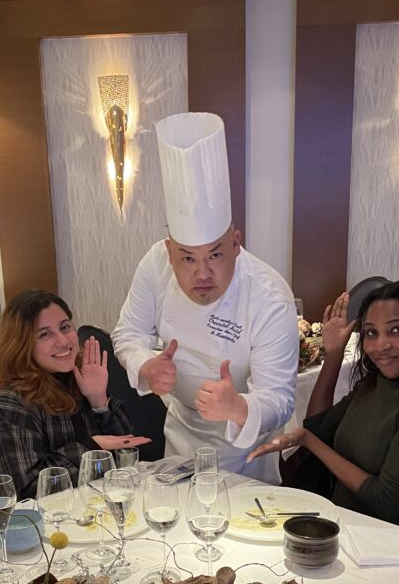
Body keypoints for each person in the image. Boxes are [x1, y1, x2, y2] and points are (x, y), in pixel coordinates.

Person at [112, 112, 299, 482]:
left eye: (215, 254)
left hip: (247, 448)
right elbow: (128, 333)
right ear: (169, 251)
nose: (201, 274)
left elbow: (279, 399)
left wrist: (238, 406)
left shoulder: (270, 296)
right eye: (186, 257)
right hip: (181, 438)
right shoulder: (154, 265)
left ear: (235, 243)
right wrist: (144, 365)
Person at [248, 276, 399, 531]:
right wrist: (333, 354)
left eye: (396, 330)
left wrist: (307, 441)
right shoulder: (375, 383)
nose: (381, 345)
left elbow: (386, 500)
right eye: (371, 333)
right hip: (351, 530)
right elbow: (318, 428)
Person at [0, 290, 150, 498]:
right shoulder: (9, 402)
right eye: (45, 334)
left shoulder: (76, 376)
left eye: (65, 327)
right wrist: (91, 450)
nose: (64, 341)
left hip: (89, 510)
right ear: (21, 345)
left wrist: (98, 401)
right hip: (23, 525)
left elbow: (127, 455)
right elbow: (25, 491)